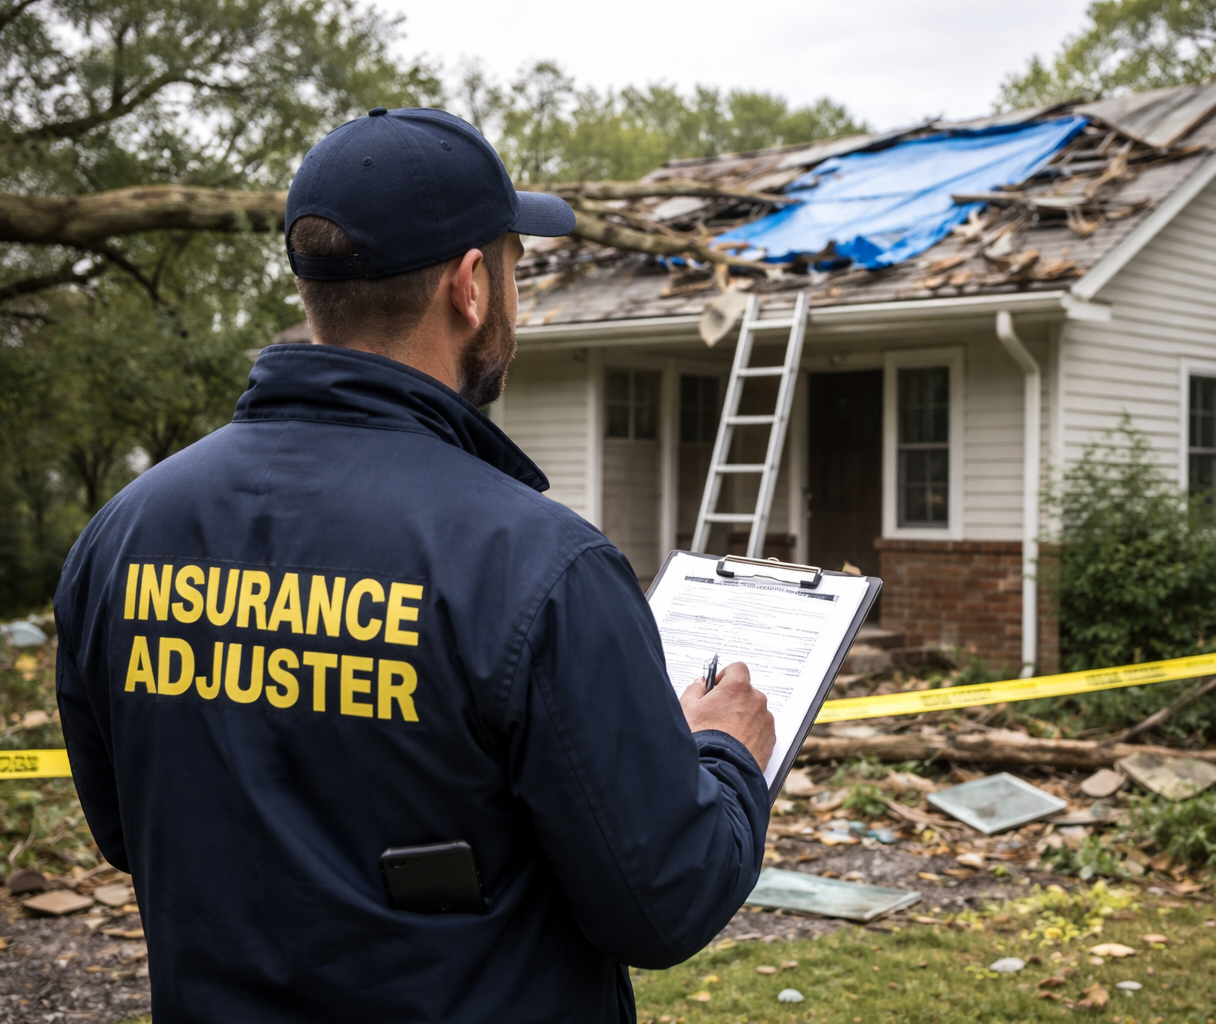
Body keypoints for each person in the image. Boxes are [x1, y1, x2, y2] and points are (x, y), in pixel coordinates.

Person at [54, 106, 776, 1024]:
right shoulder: (542, 567)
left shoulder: (122, 535)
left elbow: (132, 831)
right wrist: (724, 753)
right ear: (471, 287)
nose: (518, 296)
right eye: (516, 266)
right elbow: (664, 903)